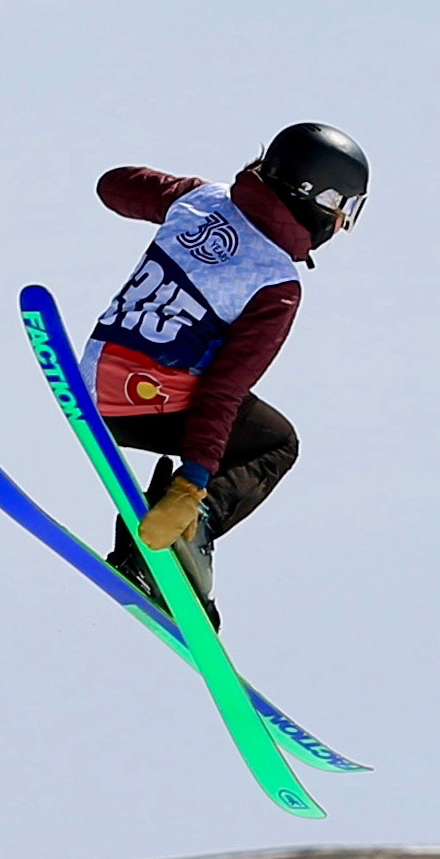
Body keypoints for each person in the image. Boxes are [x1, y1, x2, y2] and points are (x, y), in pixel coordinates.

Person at [82, 122, 369, 625]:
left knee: (232, 418)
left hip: (95, 382)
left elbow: (113, 186)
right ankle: (192, 530)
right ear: (315, 197)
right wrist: (192, 483)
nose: (340, 224)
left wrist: (184, 201)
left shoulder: (199, 199)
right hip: (152, 402)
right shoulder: (276, 284)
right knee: (276, 443)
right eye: (343, 207)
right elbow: (224, 389)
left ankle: (142, 551)